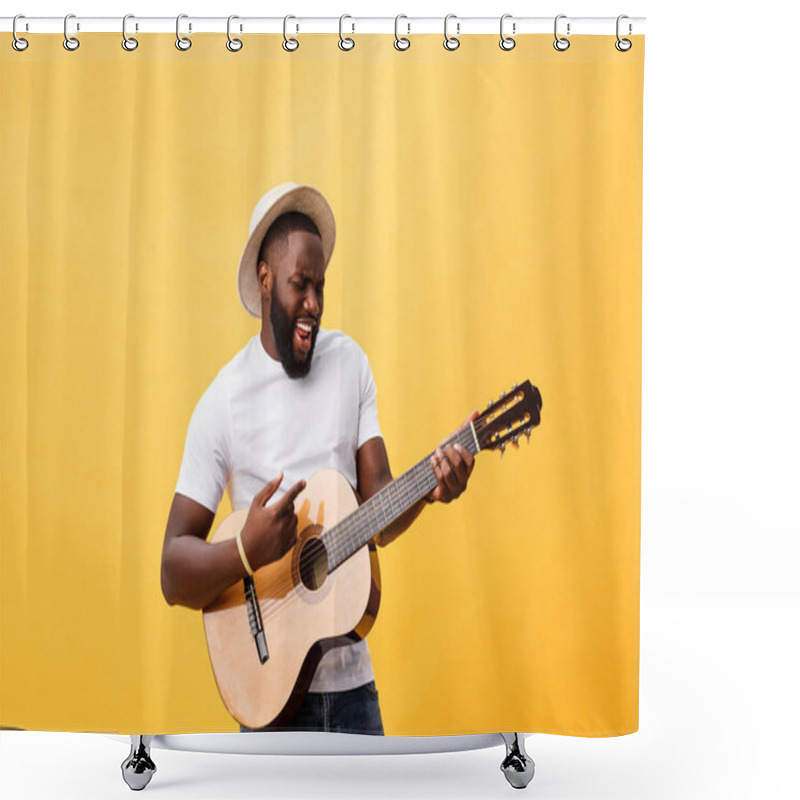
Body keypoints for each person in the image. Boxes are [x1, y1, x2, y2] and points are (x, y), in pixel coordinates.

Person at [160, 182, 476, 735]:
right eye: (298, 285)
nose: (313, 305)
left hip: (352, 693)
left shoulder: (349, 364)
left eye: (320, 287)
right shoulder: (223, 402)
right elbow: (172, 571)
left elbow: (378, 509)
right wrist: (244, 549)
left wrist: (430, 487)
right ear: (264, 281)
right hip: (267, 694)